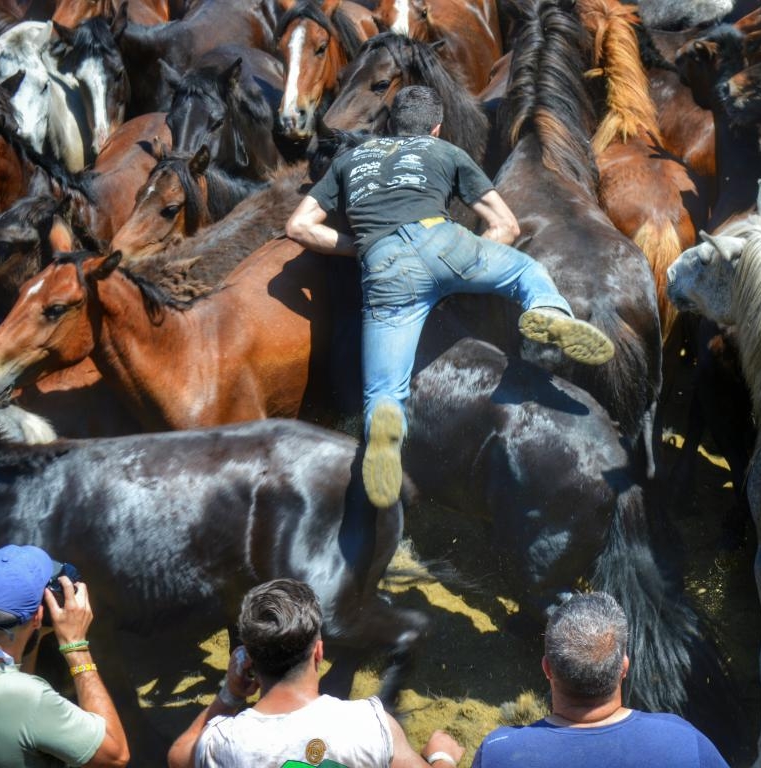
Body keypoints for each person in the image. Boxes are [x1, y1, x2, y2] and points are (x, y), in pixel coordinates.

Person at [285, 84, 615, 509]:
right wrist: (468, 273)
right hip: (445, 243)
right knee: (526, 271)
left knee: (384, 389)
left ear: (389, 126)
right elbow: (507, 225)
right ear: (436, 128)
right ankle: (548, 310)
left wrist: (359, 244)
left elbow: (299, 226)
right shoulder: (446, 153)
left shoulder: (350, 160)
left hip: (386, 267)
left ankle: (385, 434)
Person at [168, 578, 464, 768]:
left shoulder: (225, 743)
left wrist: (229, 694)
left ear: (248, 661)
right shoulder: (371, 725)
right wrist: (442, 757)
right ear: (319, 653)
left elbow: (178, 755)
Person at [471, 592, 729, 768]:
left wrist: (440, 760)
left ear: (547, 668)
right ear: (624, 667)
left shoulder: (500, 753)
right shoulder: (682, 740)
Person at [0, 545, 129, 768]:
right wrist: (76, 646)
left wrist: (34, 635)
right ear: (38, 616)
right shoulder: (27, 698)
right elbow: (115, 755)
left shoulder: (6, 691)